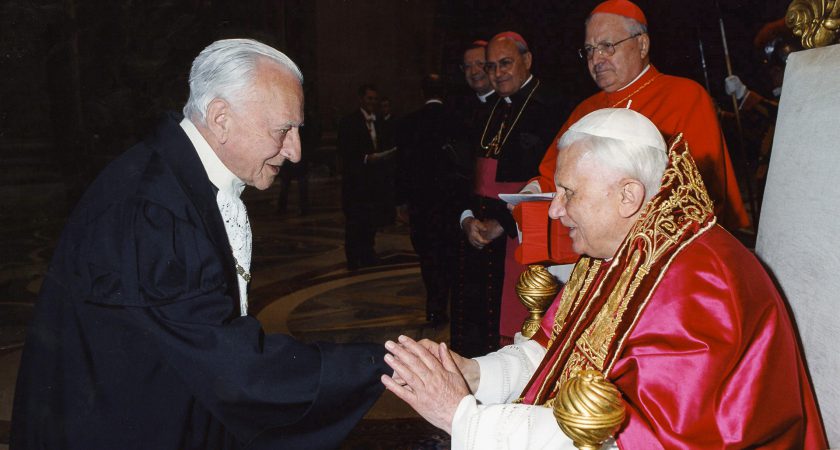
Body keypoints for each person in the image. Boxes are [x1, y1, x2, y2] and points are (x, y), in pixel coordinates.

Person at [11, 39, 389, 449]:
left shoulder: (178, 177)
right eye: (284, 130)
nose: (295, 152)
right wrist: (386, 365)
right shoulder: (152, 211)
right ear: (220, 117)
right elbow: (236, 371)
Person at [381, 108, 827, 449]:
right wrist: (475, 375)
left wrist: (463, 418)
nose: (554, 211)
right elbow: (553, 351)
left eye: (569, 193)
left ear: (628, 195)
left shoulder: (699, 286)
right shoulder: (619, 243)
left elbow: (630, 440)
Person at [517, 0, 751, 273]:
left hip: (657, 259)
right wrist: (533, 189)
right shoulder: (585, 109)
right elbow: (552, 175)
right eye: (590, 50)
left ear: (642, 45)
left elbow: (697, 194)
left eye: (608, 46)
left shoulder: (685, 97)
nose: (596, 59)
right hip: (587, 258)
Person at [455, 31, 567, 355]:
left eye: (506, 63)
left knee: (517, 325)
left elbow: (550, 177)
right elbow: (465, 175)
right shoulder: (487, 109)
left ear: (527, 60)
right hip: (479, 236)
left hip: (521, 232)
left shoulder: (553, 107)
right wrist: (465, 219)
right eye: (491, 67)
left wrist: (502, 222)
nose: (497, 73)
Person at [395, 74, 459, 325]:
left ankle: (434, 307)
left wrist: (400, 202)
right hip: (450, 205)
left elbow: (401, 167)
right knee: (450, 257)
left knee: (428, 259)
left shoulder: (409, 123)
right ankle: (452, 306)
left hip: (421, 205)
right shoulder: (455, 121)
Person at [722, 18, 800, 215]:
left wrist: (744, 94)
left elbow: (781, 114)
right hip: (770, 186)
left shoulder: (802, 96)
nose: (773, 77)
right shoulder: (778, 95)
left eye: (777, 71)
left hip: (793, 185)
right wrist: (722, 115)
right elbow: (758, 129)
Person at [338, 84, 394, 270]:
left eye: (375, 99)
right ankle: (353, 258)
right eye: (369, 98)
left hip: (374, 181)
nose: (372, 102)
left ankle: (368, 253)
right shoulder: (349, 122)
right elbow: (345, 152)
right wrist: (365, 158)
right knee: (355, 221)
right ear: (361, 99)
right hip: (356, 181)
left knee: (371, 221)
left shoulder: (380, 121)